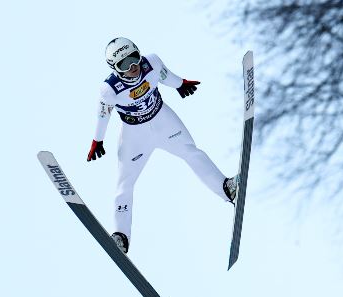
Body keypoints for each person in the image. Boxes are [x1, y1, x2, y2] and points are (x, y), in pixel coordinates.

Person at [87, 37, 237, 254]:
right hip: (134, 135)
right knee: (124, 185)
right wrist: (97, 140)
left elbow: (166, 75)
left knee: (191, 152)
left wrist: (181, 84)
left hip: (163, 121)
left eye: (134, 58)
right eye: (124, 64)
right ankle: (121, 236)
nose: (133, 67)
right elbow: (102, 115)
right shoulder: (109, 90)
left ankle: (226, 188)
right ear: (115, 69)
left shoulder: (152, 62)